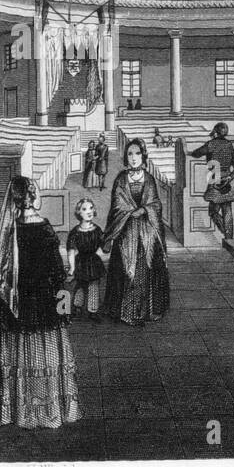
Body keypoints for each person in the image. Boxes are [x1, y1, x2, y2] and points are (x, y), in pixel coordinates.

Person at [0, 177, 82, 428]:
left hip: (17, 302)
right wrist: (63, 304)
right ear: (32, 197)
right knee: (45, 352)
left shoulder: (9, 230)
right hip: (42, 300)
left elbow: (3, 273)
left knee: (19, 353)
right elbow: (57, 272)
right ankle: (48, 411)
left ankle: (18, 412)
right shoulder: (44, 227)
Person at [103, 137, 170, 327]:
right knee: (126, 270)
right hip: (126, 232)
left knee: (146, 270)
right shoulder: (121, 179)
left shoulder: (148, 179)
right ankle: (125, 313)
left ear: (143, 156)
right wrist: (130, 212)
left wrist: (146, 209)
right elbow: (117, 205)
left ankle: (147, 311)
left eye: (137, 154)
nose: (133, 158)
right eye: (130, 154)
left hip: (147, 232)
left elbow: (156, 204)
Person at [192, 121, 234, 240]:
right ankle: (229, 237)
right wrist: (231, 176)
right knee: (227, 209)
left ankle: (225, 231)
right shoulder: (229, 144)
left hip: (216, 180)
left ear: (216, 132)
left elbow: (196, 153)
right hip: (228, 180)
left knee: (213, 211)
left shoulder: (211, 144)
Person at [66, 198, 107, 318]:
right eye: (84, 209)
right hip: (81, 262)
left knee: (94, 285)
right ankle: (77, 306)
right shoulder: (75, 232)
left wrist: (109, 241)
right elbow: (71, 250)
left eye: (91, 208)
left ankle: (93, 310)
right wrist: (72, 268)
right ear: (79, 212)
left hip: (94, 261)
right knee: (80, 285)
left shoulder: (97, 230)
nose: (89, 211)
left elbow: (105, 247)